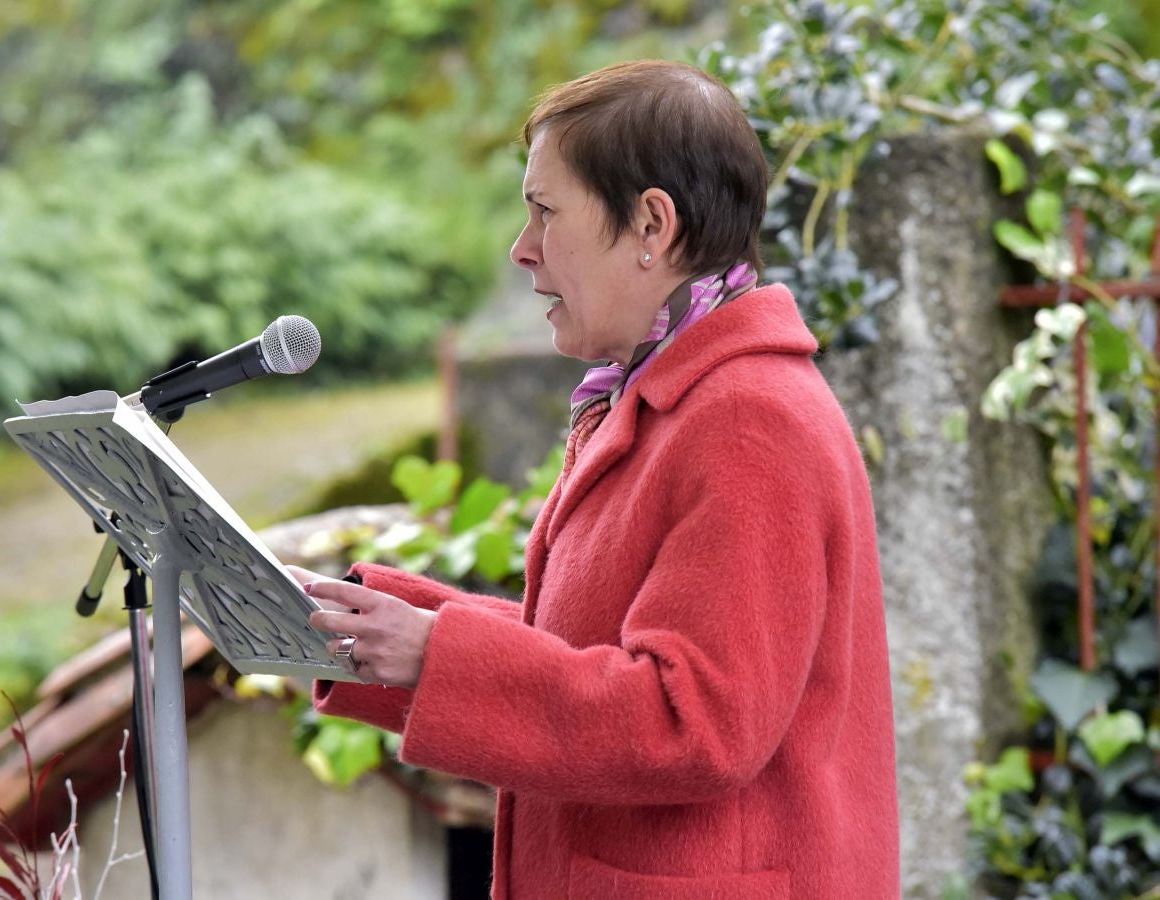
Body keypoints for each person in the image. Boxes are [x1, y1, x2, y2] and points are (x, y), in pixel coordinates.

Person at [288, 59, 899, 899]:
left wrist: (439, 656)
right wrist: (393, 630)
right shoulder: (670, 392)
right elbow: (593, 655)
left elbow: (694, 721)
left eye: (545, 212)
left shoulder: (749, 418)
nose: (522, 249)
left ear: (653, 223)